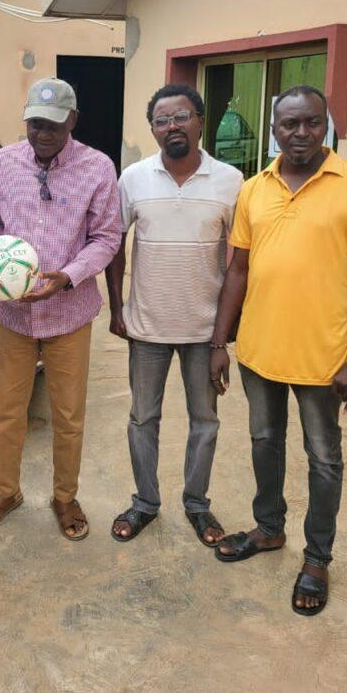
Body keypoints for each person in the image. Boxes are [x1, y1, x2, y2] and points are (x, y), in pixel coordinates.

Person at [210, 85, 347, 615]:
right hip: (260, 353)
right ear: (274, 129)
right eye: (289, 124)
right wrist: (220, 342)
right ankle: (269, 530)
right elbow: (237, 270)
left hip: (323, 360)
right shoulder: (254, 189)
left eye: (312, 123)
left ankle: (317, 560)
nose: (300, 133)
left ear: (326, 125)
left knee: (324, 460)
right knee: (264, 444)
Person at [0, 77, 121, 540]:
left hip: (69, 313)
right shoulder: (4, 162)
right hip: (13, 314)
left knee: (68, 414)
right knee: (6, 411)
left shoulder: (97, 168)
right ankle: (7, 491)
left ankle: (64, 496)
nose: (43, 134)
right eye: (35, 124)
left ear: (73, 120)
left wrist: (67, 277)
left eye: (54, 125)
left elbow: (107, 237)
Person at [106, 85, 243, 546]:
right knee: (143, 418)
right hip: (147, 327)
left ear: (201, 122)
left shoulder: (230, 181)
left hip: (205, 331)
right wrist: (117, 304)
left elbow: (239, 262)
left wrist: (223, 338)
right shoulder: (133, 179)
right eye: (162, 121)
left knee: (205, 421)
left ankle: (197, 504)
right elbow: (114, 247)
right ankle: (145, 502)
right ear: (153, 130)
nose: (172, 127)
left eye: (181, 117)